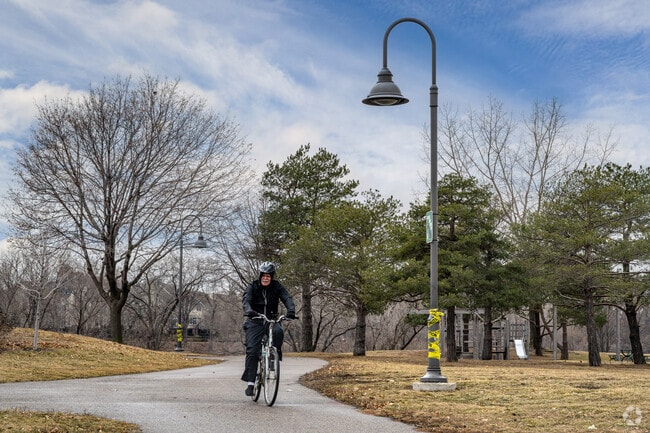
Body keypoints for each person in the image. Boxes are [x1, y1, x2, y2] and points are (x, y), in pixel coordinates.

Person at [241, 261, 296, 396]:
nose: (266, 278)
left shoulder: (277, 287)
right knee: (253, 351)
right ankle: (251, 383)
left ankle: (273, 357)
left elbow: (287, 298)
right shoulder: (252, 286)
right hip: (255, 320)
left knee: (278, 332)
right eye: (264, 275)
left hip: (271, 319)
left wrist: (291, 311)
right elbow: (246, 300)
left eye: (269, 276)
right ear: (260, 276)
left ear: (272, 277)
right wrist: (249, 311)